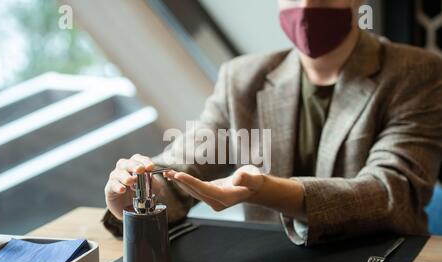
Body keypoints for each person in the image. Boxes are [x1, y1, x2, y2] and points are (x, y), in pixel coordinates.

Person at [103, 0, 442, 246]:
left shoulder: (417, 73)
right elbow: (182, 169)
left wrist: (270, 191)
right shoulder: (243, 79)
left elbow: (390, 193)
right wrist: (136, 194)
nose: (307, 5)